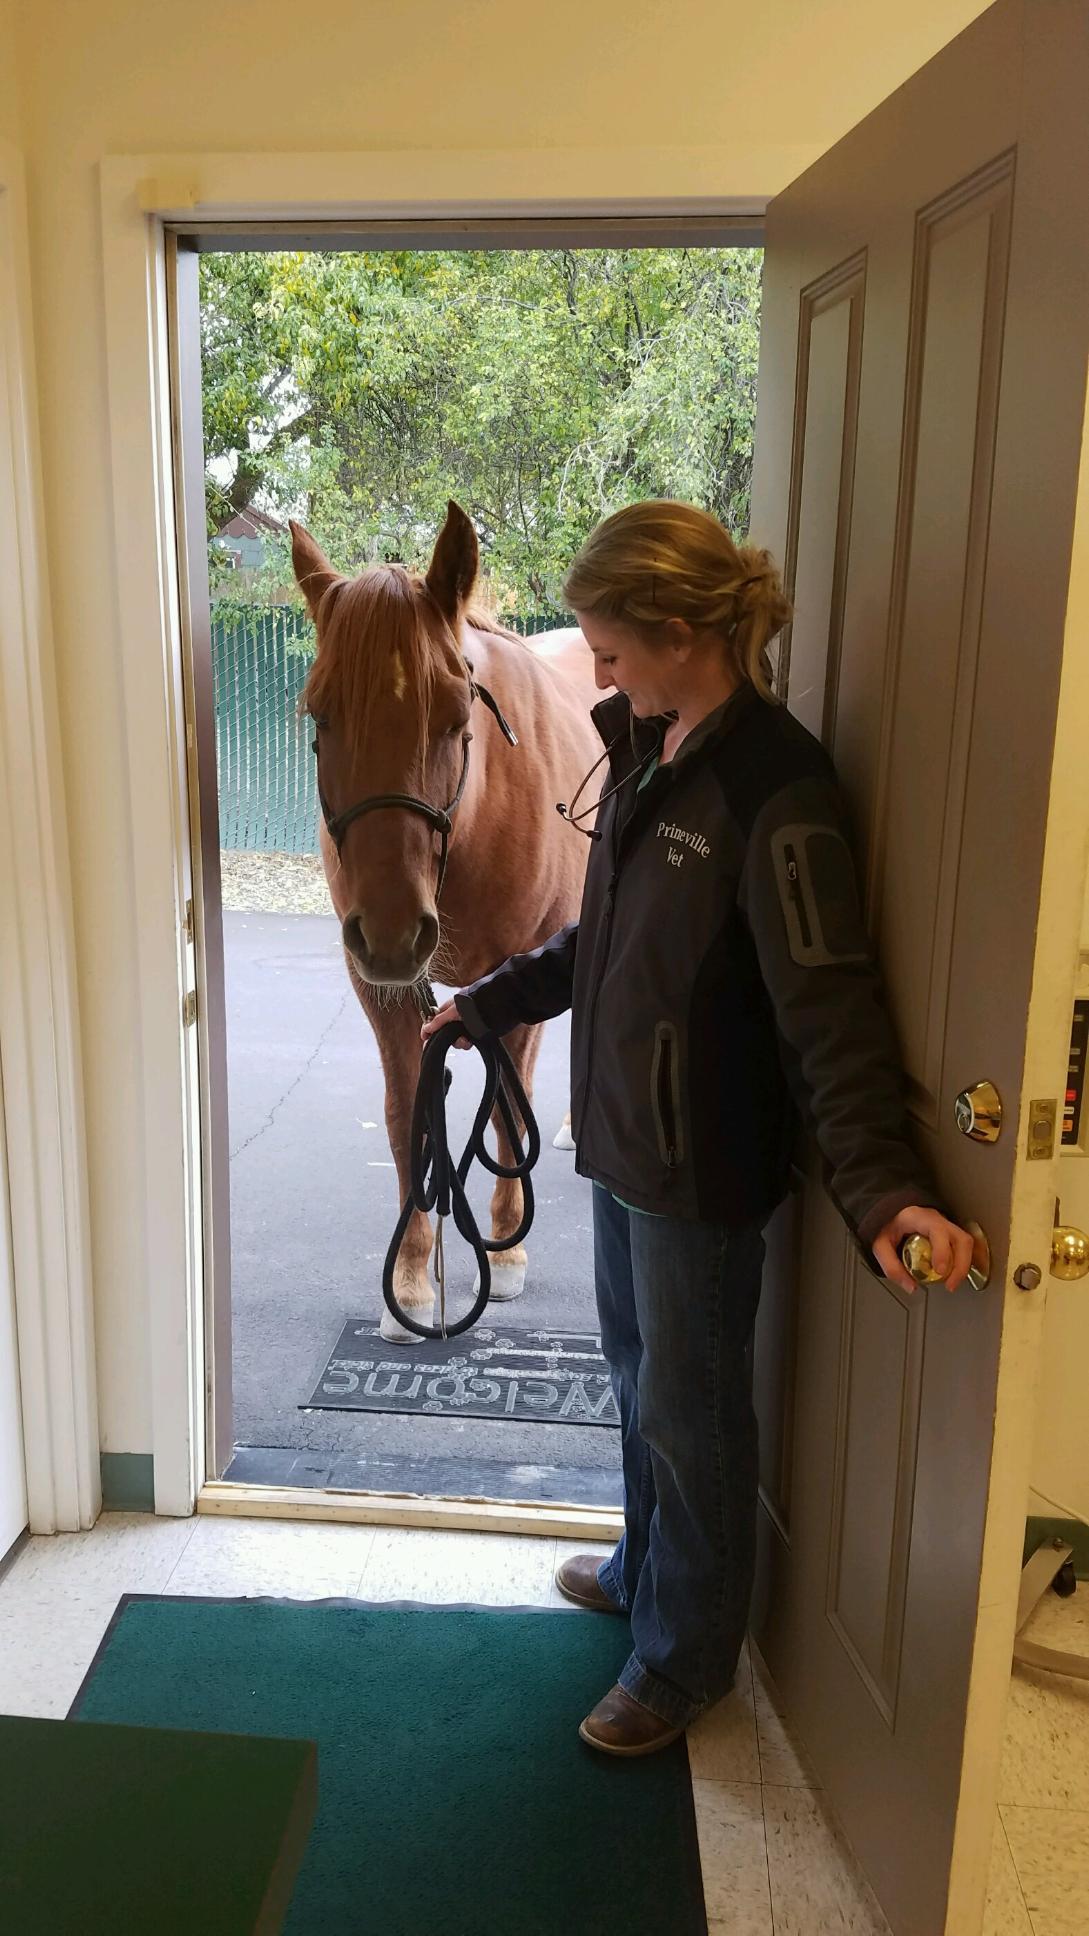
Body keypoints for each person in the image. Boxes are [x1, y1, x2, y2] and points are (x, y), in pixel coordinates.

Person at [422, 499, 973, 1758]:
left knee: (694, 1410)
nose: (596, 673)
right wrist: (488, 1001)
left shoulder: (778, 788)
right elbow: (599, 944)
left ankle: (682, 1663)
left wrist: (886, 1193)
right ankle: (641, 1566)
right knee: (637, 1386)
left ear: (680, 633)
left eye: (611, 651)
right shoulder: (651, 750)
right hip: (622, 1149)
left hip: (701, 1173)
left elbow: (830, 1009)